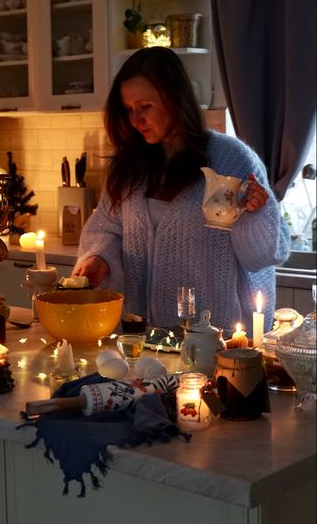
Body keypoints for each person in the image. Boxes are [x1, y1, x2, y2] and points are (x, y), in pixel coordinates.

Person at [72, 47, 290, 332]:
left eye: (145, 106)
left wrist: (255, 214)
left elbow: (263, 257)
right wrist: (97, 258)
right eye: (128, 109)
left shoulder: (230, 159)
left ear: (175, 99)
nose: (135, 120)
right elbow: (106, 228)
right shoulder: (128, 167)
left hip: (214, 337)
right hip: (142, 336)